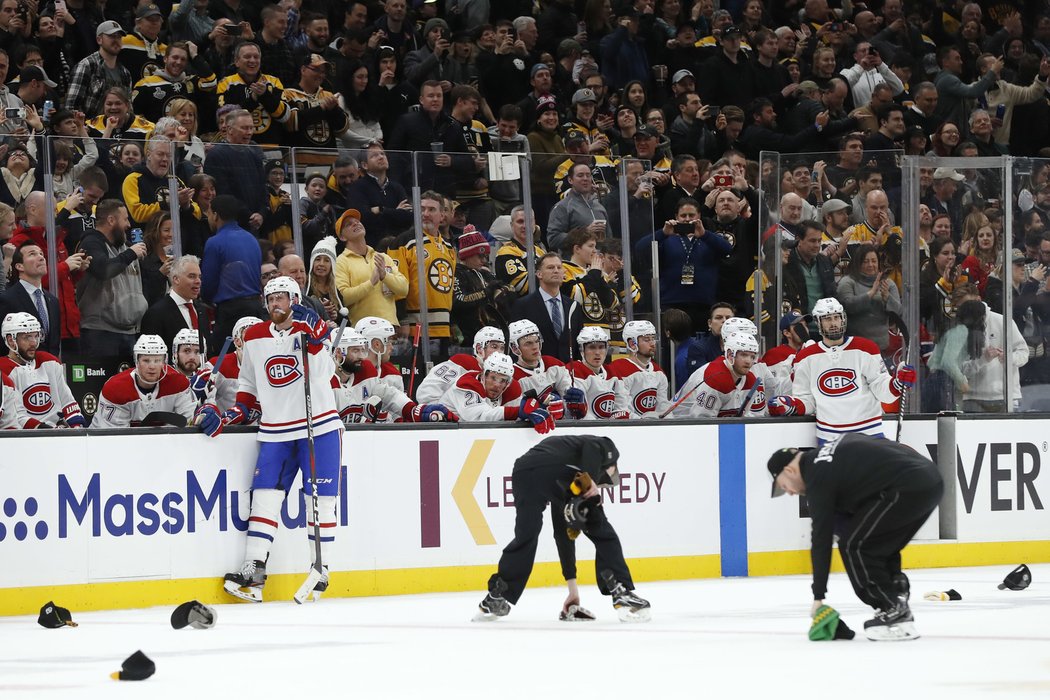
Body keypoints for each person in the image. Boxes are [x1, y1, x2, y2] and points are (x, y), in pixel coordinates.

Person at [198, 275, 339, 602]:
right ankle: (255, 568)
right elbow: (248, 384)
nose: (275, 304)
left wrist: (317, 336)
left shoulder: (313, 330)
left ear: (294, 300)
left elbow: (322, 374)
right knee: (263, 496)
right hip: (275, 430)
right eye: (271, 299)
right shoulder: (255, 336)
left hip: (318, 427)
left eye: (281, 298)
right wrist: (234, 413)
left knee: (319, 499)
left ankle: (322, 568)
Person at [767, 435, 944, 640]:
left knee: (854, 546)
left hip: (907, 485)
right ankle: (896, 589)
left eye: (783, 486)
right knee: (876, 541)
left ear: (790, 471)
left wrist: (818, 596)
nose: (788, 493)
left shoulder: (817, 476)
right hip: (931, 480)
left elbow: (821, 540)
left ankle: (892, 608)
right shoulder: (826, 459)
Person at [477, 435, 651, 622]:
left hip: (523, 471)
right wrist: (590, 479)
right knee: (600, 529)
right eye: (604, 481)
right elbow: (592, 447)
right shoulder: (608, 449)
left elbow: (563, 535)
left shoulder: (568, 469)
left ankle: (498, 595)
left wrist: (572, 590)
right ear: (610, 468)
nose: (600, 486)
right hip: (554, 468)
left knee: (526, 534)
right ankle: (621, 590)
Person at [768, 297, 915, 443]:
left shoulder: (866, 348)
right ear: (819, 322)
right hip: (828, 438)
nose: (833, 323)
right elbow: (807, 400)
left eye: (836, 317)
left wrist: (897, 384)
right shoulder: (806, 357)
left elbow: (882, 391)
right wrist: (790, 405)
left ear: (842, 319)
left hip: (869, 434)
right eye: (827, 319)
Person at [331, 327, 457, 425]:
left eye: (362, 350)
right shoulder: (324, 381)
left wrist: (412, 410)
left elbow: (389, 395)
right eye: (355, 351)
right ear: (338, 353)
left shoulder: (365, 370)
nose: (361, 356)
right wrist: (364, 422)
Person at [76, 199, 148, 359]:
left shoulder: (126, 246)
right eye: (125, 219)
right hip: (100, 333)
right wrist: (130, 254)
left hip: (130, 331)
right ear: (111, 220)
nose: (129, 224)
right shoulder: (91, 243)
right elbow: (103, 270)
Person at [389, 191, 457, 349]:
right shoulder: (403, 242)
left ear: (442, 215)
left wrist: (452, 323)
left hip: (443, 329)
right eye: (422, 209)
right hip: (414, 328)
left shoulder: (449, 248)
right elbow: (395, 285)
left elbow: (449, 290)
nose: (426, 214)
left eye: (431, 210)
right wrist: (402, 320)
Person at [91, 334, 197, 427]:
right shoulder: (115, 389)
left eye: (157, 360)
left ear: (164, 362)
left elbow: (188, 423)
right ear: (137, 361)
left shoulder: (178, 384)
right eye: (146, 360)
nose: (152, 366)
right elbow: (115, 440)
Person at [201, 194, 265, 346]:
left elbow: (208, 284)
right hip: (255, 307)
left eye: (209, 213)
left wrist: (207, 300)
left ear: (216, 215)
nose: (208, 217)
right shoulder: (251, 239)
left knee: (224, 360)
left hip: (231, 311)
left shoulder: (214, 242)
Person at [0, 312, 84, 428]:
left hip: (57, 431)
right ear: (11, 341)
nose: (34, 342)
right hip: (27, 439)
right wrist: (47, 432)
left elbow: (67, 402)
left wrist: (77, 427)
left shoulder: (50, 362)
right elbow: (17, 417)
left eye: (36, 336)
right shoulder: (3, 370)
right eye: (27, 337)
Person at [333, 208, 407, 327]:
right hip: (362, 331)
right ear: (342, 237)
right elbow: (343, 298)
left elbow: (404, 289)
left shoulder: (383, 257)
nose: (355, 223)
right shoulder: (340, 262)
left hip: (390, 327)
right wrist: (371, 283)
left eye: (357, 221)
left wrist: (385, 275)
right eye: (349, 224)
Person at [672, 331, 765, 417]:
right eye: (744, 355)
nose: (749, 361)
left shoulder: (751, 380)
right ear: (730, 355)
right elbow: (702, 421)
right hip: (678, 424)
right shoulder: (715, 377)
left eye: (752, 356)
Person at [511, 252, 581, 362]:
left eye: (559, 267)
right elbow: (515, 343)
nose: (556, 270)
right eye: (550, 267)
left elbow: (577, 342)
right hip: (537, 371)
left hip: (568, 371)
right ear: (539, 274)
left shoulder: (573, 306)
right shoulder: (523, 305)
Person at [0, 242, 61, 356]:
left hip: (48, 369)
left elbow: (53, 344)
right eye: (32, 254)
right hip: (18, 369)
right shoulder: (7, 299)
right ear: (19, 266)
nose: (41, 257)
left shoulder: (53, 301)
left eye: (41, 254)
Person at [415, 326, 505, 404]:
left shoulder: (502, 374)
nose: (499, 352)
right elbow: (426, 392)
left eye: (502, 348)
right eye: (494, 346)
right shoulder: (463, 363)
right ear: (479, 348)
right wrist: (441, 413)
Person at [140, 254, 210, 352]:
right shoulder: (156, 314)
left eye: (199, 277)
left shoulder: (201, 310)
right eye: (192, 276)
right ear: (176, 279)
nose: (198, 281)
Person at [608, 320, 671, 419]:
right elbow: (622, 409)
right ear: (632, 344)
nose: (653, 344)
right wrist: (643, 422)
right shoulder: (617, 369)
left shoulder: (658, 372)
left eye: (653, 339)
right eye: (646, 340)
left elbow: (662, 407)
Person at [564, 326, 629, 420]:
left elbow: (622, 407)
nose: (597, 352)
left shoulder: (612, 372)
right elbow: (578, 414)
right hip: (586, 431)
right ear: (582, 350)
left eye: (601, 347)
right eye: (592, 347)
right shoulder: (574, 370)